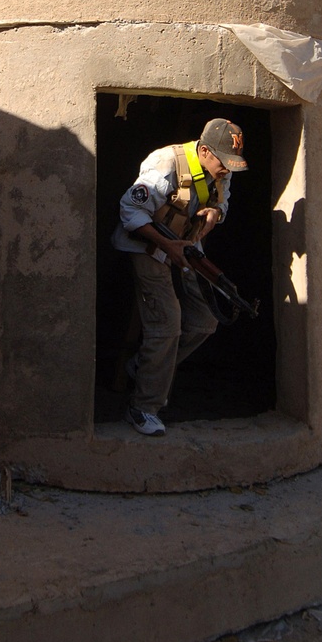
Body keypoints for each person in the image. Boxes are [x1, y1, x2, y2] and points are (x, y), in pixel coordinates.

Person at [111, 118, 248, 436]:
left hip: (186, 245)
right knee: (167, 325)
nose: (227, 171)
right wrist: (167, 246)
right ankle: (143, 408)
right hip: (146, 247)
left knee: (207, 318)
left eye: (232, 165)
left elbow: (221, 203)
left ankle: (144, 366)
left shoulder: (220, 172)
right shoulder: (165, 163)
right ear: (204, 151)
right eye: (223, 163)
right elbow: (130, 210)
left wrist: (215, 213)